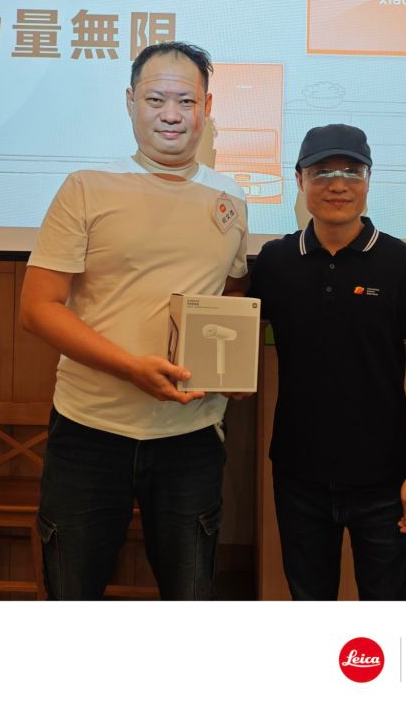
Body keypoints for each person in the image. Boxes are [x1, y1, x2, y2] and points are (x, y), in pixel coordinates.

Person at [19, 42, 248, 599]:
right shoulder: (86, 186)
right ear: (130, 102)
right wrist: (130, 367)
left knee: (189, 597)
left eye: (185, 101)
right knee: (72, 595)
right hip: (90, 431)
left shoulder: (230, 196)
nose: (171, 114)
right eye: (155, 99)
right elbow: (37, 307)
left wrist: (230, 365)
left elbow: (231, 290)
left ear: (206, 107)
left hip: (191, 436)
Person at [248, 124, 406, 600]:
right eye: (322, 172)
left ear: (368, 179)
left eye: (352, 171)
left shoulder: (404, 263)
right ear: (299, 180)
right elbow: (236, 337)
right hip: (298, 474)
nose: (338, 184)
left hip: (386, 478)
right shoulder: (275, 261)